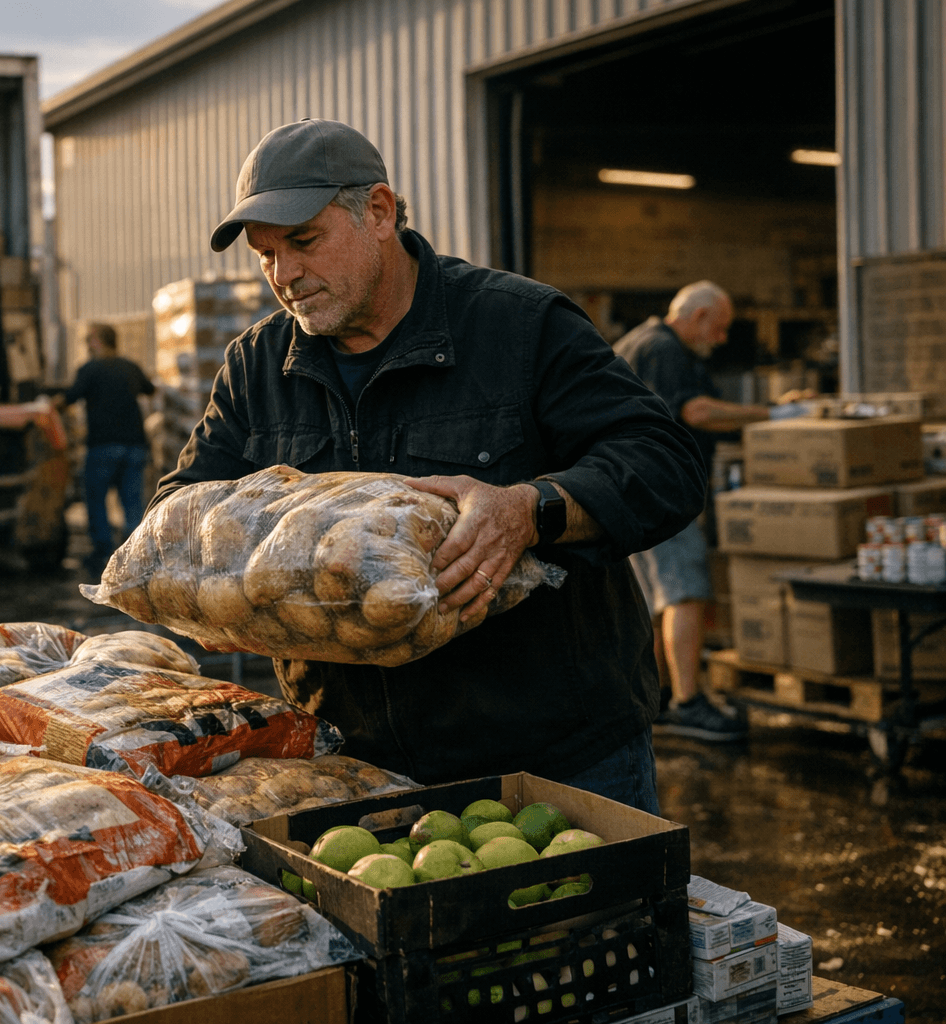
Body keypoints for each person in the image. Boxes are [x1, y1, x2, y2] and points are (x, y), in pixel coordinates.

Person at [160, 119, 706, 813]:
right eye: (264, 254)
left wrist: (528, 511)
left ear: (380, 212)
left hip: (555, 761)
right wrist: (210, 572)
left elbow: (663, 464)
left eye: (303, 242)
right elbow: (179, 509)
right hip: (356, 765)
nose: (284, 276)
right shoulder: (258, 365)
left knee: (584, 920)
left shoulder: (520, 326)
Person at [615, 282, 802, 741]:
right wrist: (775, 415)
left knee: (659, 600)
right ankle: (688, 702)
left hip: (632, 488)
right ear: (697, 317)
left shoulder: (640, 342)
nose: (720, 340)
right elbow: (695, 411)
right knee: (686, 593)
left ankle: (655, 697)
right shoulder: (663, 349)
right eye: (718, 329)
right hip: (658, 489)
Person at [56, 323, 155, 571]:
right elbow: (150, 390)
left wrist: (46, 405)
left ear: (98, 341)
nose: (88, 345)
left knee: (96, 500)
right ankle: (136, 555)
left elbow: (68, 398)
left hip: (103, 447)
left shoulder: (90, 369)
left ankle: (103, 554)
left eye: (89, 340)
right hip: (134, 446)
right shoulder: (130, 366)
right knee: (132, 501)